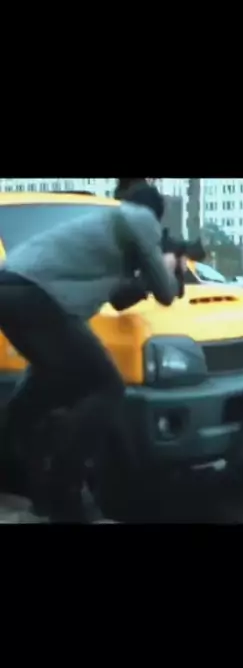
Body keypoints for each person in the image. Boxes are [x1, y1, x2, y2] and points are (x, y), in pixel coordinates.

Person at [0, 182, 184, 522]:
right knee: (107, 386)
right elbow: (167, 293)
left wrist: (150, 272)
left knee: (41, 385)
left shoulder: (107, 230)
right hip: (38, 297)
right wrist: (169, 263)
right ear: (155, 214)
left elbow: (119, 298)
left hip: (13, 291)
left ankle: (14, 474)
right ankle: (63, 484)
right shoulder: (140, 217)